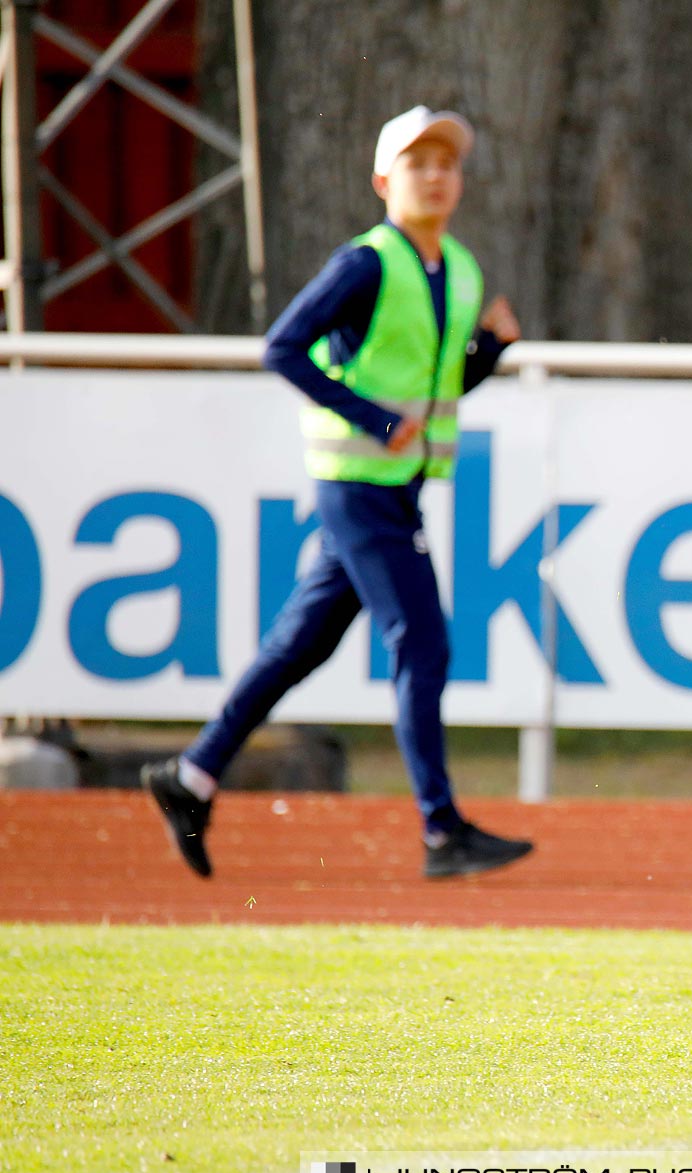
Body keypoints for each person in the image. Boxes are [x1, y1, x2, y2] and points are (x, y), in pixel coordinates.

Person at [143, 106, 534, 881]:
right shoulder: (365, 262)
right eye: (417, 162)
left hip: (395, 490)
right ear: (383, 180)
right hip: (358, 491)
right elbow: (281, 347)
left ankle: (191, 776)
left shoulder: (458, 269)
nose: (435, 175)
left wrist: (489, 350)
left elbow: (440, 384)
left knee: (300, 646)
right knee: (423, 645)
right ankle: (440, 830)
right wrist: (372, 417)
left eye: (446, 163)